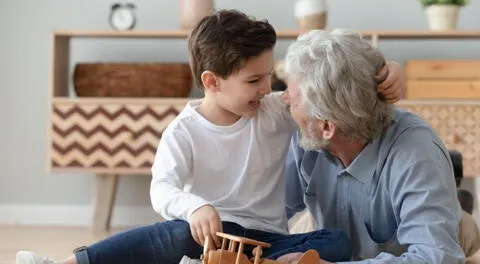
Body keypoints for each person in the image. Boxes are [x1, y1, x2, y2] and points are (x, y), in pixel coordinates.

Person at [16, 10, 404, 264]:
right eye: (254, 80)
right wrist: (195, 207)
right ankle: (70, 263)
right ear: (211, 82)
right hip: (209, 236)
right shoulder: (183, 132)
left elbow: (325, 93)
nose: (268, 87)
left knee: (335, 241)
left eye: (270, 75)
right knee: (171, 233)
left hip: (268, 240)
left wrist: (387, 74)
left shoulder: (272, 110)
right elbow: (162, 189)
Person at [279, 28, 465, 263]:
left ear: (327, 126)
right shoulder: (306, 137)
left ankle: (460, 210)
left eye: (293, 98)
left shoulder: (416, 152)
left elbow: (439, 257)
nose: (283, 100)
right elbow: (268, 214)